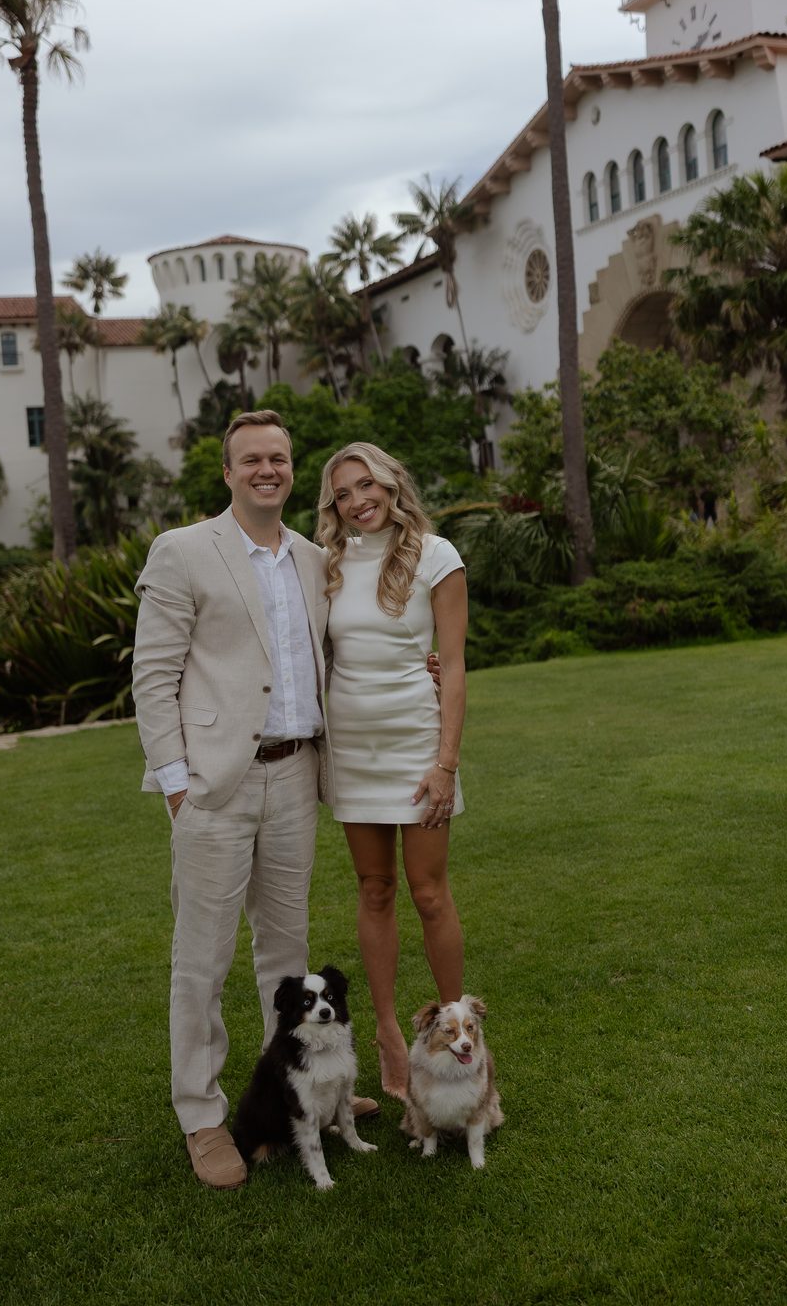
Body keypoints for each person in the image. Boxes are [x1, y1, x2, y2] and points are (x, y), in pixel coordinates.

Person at [131, 410, 378, 1192]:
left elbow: (343, 651)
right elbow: (153, 675)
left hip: (296, 777)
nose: (266, 469)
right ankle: (202, 1117)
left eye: (278, 457)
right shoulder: (181, 551)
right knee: (200, 962)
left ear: (291, 469)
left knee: (288, 955)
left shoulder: (312, 557)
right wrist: (175, 782)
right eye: (251, 460)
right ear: (228, 472)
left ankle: (302, 1090)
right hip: (214, 784)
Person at [317, 442, 468, 1102]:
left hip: (417, 743)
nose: (358, 500)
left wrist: (445, 764)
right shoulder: (325, 564)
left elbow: (455, 665)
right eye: (343, 493)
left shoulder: (437, 556)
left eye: (366, 484)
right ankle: (387, 1039)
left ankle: (457, 1036)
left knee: (429, 892)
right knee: (374, 889)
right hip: (351, 749)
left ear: (390, 482)